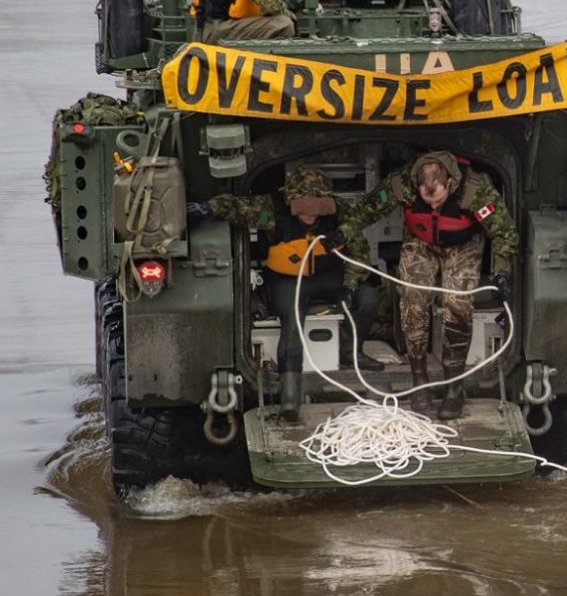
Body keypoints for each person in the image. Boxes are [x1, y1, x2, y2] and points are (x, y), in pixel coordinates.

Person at [355, 151, 517, 416]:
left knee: (458, 305)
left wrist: (502, 272)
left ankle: (454, 387)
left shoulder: (476, 189)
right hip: (421, 241)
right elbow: (365, 211)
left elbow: (504, 232)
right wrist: (339, 231)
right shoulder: (402, 184)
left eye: (438, 199)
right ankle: (420, 383)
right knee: (414, 303)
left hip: (463, 243)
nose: (432, 207)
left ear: (450, 183)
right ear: (417, 185)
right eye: (426, 199)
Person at [209, 165, 379, 416]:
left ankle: (351, 350)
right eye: (304, 207)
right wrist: (210, 206)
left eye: (317, 207)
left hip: (329, 275)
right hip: (288, 278)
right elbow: (238, 208)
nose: (310, 214)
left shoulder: (340, 213)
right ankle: (290, 392)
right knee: (293, 320)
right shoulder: (273, 209)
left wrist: (350, 285)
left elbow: (360, 252)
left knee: (369, 297)